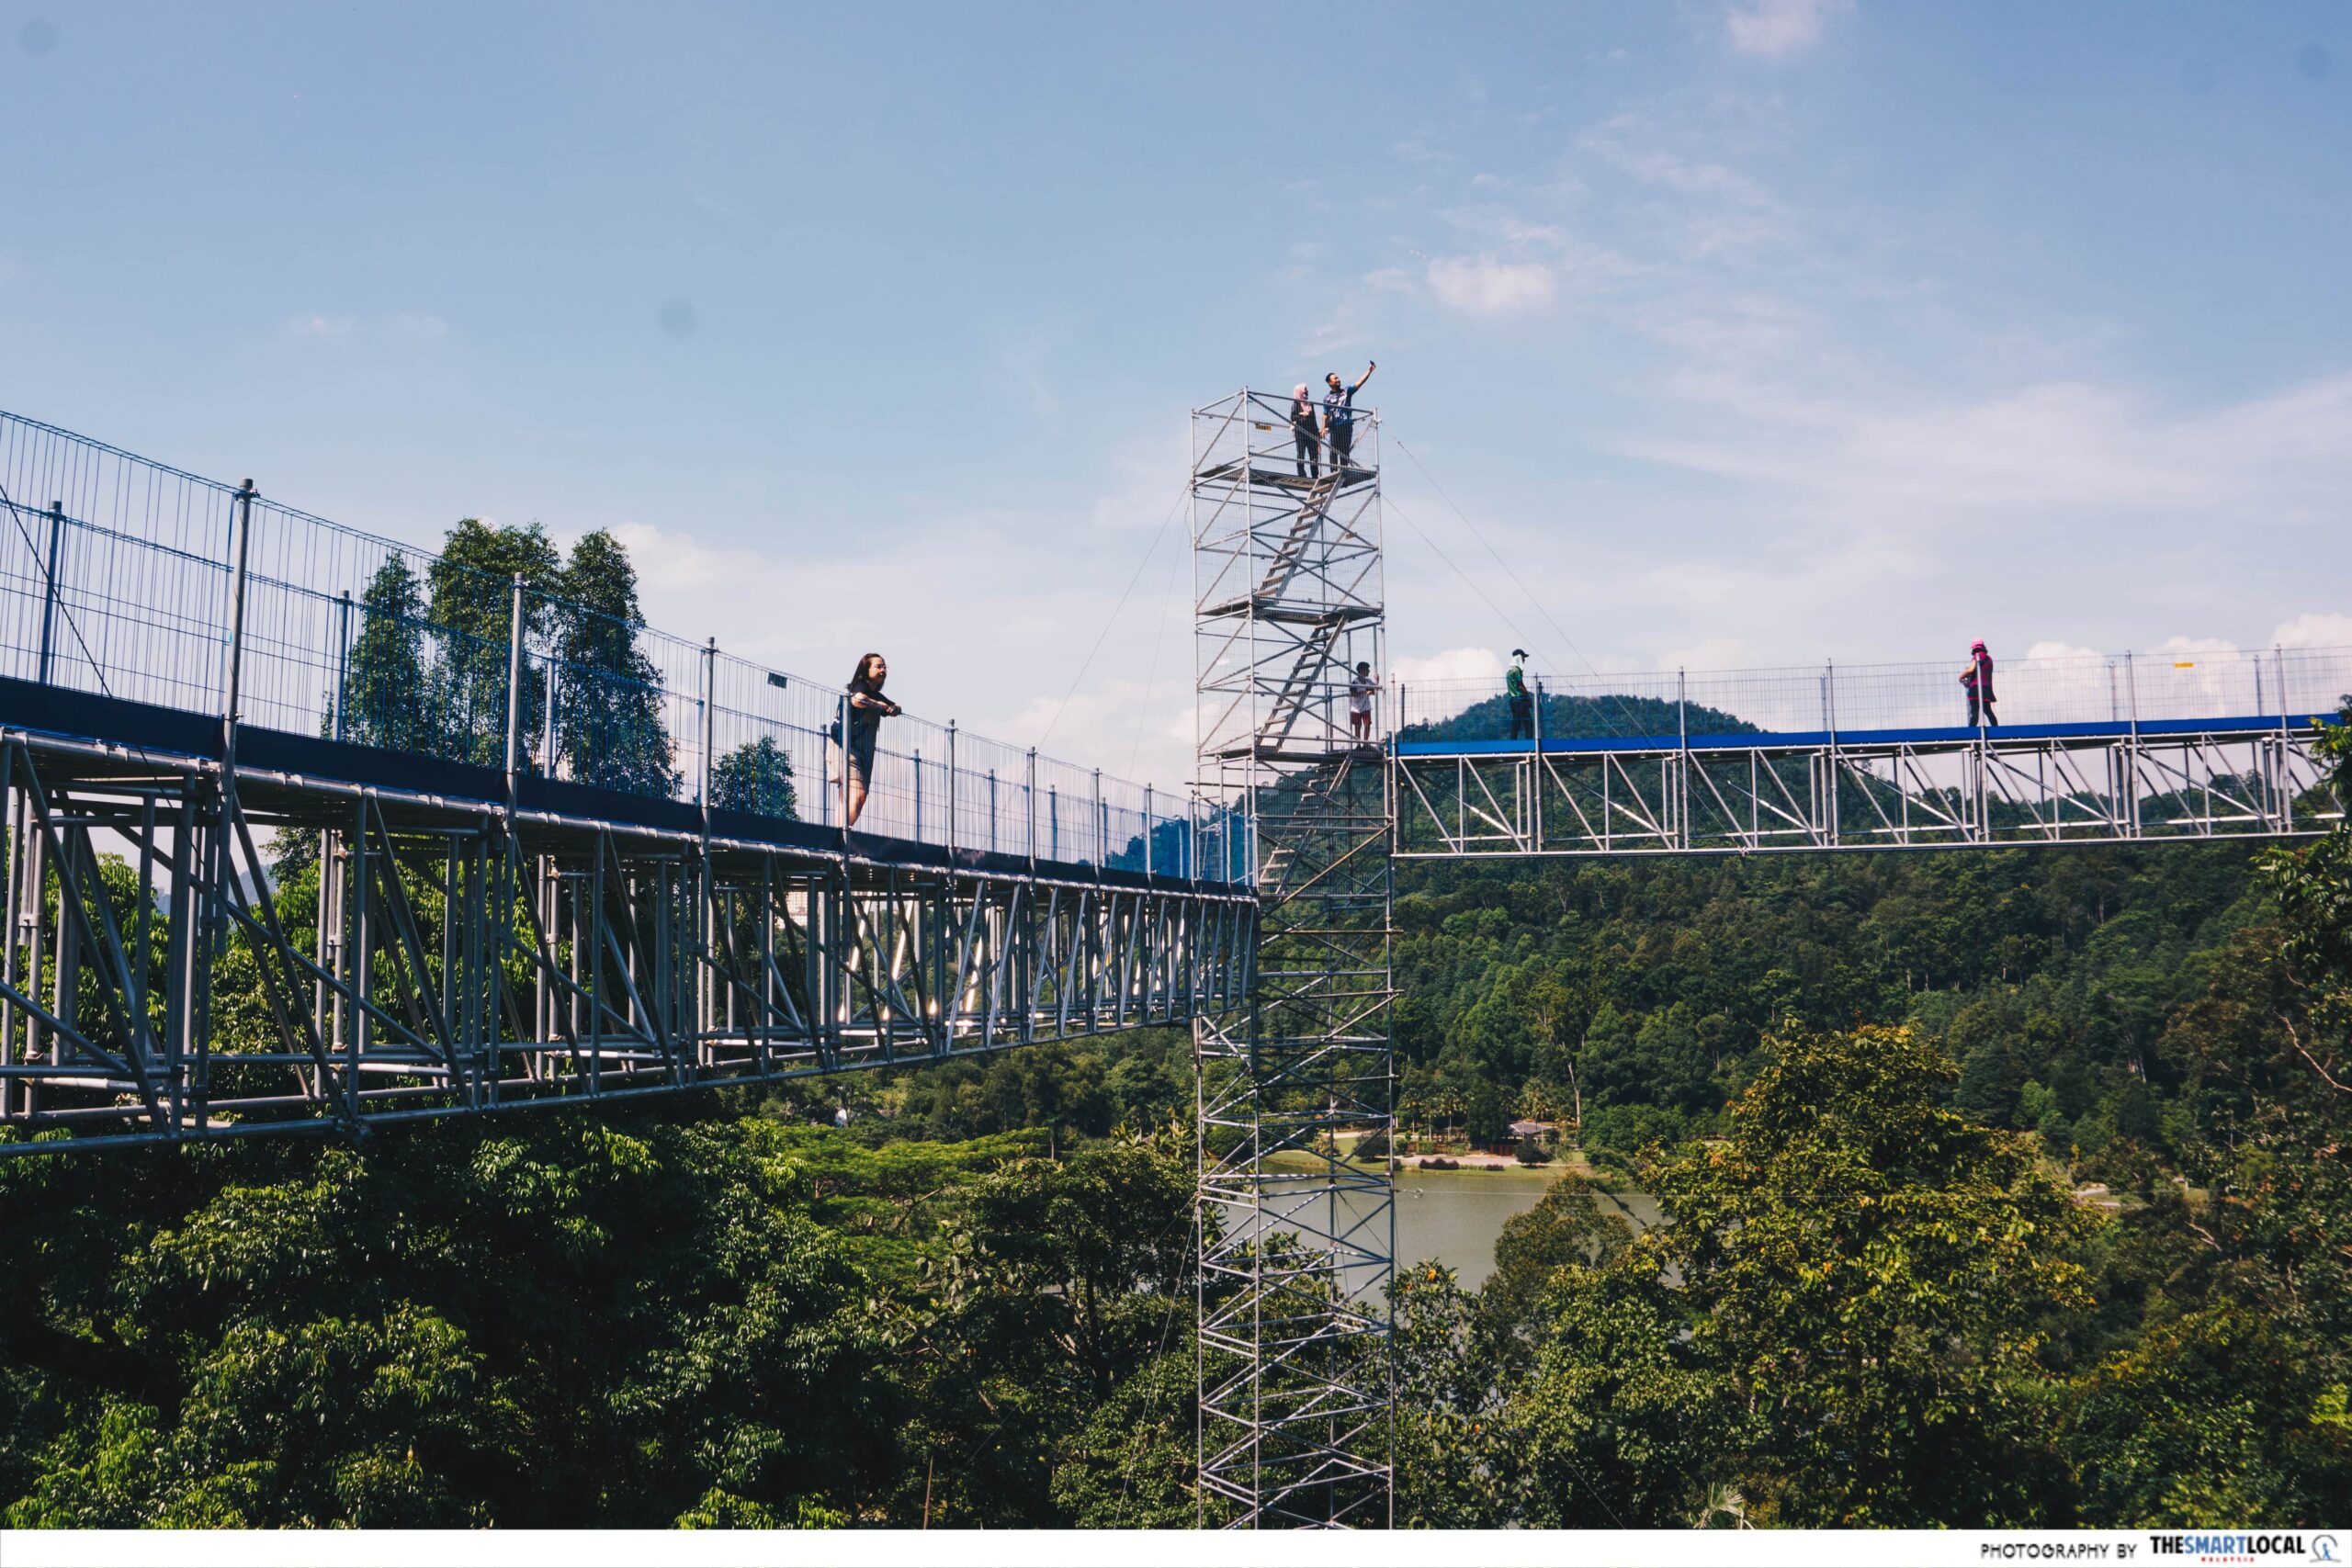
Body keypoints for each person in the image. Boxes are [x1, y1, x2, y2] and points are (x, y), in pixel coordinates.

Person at [840, 651, 901, 827]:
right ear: (866, 669)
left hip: (861, 750)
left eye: (885, 666)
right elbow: (858, 699)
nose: (883, 670)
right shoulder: (860, 686)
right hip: (846, 746)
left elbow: (894, 705)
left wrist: (895, 708)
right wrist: (879, 705)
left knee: (850, 797)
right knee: (858, 794)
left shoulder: (875, 693)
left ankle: (840, 835)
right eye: (878, 666)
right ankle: (841, 834)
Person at [1322, 360, 1376, 474]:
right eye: (1335, 378)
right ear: (1329, 382)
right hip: (1334, 427)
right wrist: (1323, 428)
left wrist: (1369, 371)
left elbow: (1359, 382)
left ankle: (1344, 471)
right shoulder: (1326, 398)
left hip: (1346, 425)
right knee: (1333, 450)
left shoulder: (1346, 391)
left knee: (1344, 450)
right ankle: (1333, 472)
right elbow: (1325, 415)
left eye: (1338, 378)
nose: (1338, 380)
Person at [1961, 638, 1997, 728]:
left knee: (1974, 712)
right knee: (1988, 711)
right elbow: (1982, 675)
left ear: (1974, 648)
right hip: (1986, 689)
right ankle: (1996, 729)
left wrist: (1961, 676)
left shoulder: (1977, 656)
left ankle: (1970, 732)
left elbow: (1971, 669)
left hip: (1975, 689)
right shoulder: (1989, 659)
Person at [1289, 382, 1321, 480]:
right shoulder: (1296, 403)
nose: (1307, 391)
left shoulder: (1310, 404)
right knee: (1301, 453)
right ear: (1300, 391)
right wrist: (1302, 414)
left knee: (1313, 455)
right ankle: (1301, 473)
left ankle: (1315, 475)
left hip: (1311, 432)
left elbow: (1314, 419)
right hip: (1301, 432)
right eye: (1305, 389)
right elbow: (1293, 417)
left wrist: (1317, 437)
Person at [1505, 649, 1534, 741]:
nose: (1524, 660)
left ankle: (1513, 744)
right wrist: (1528, 697)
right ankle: (1529, 745)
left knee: (1516, 723)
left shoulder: (1509, 671)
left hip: (1513, 700)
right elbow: (1521, 685)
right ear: (1519, 657)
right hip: (1520, 700)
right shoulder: (1517, 670)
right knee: (1528, 724)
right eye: (1523, 657)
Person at [1349, 660, 1376, 744]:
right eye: (1367, 669)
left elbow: (1374, 691)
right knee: (1357, 726)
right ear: (1362, 671)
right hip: (1356, 707)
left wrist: (1376, 683)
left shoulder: (1369, 681)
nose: (1368, 671)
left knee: (1367, 725)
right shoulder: (1355, 682)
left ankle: (1365, 743)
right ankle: (1358, 744)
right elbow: (1353, 694)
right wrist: (1365, 692)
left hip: (1366, 706)